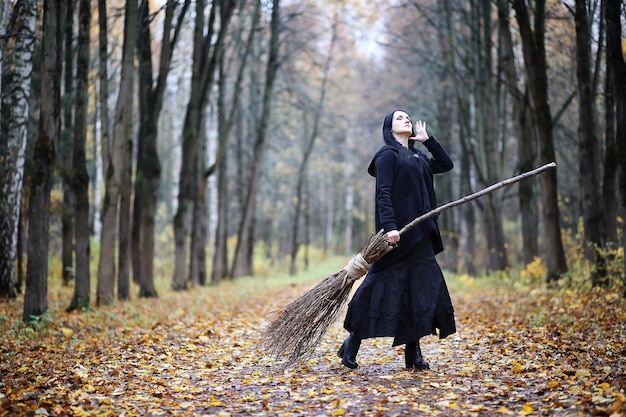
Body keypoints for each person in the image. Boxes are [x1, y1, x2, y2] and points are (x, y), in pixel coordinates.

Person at [338, 110, 456, 370]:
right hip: (397, 236)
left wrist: (428, 141)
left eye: (408, 118)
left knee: (421, 291)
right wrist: (389, 227)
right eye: (400, 117)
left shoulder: (419, 157)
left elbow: (446, 164)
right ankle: (353, 341)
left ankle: (413, 353)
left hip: (422, 235)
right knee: (378, 285)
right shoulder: (386, 156)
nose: (407, 120)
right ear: (389, 127)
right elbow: (384, 194)